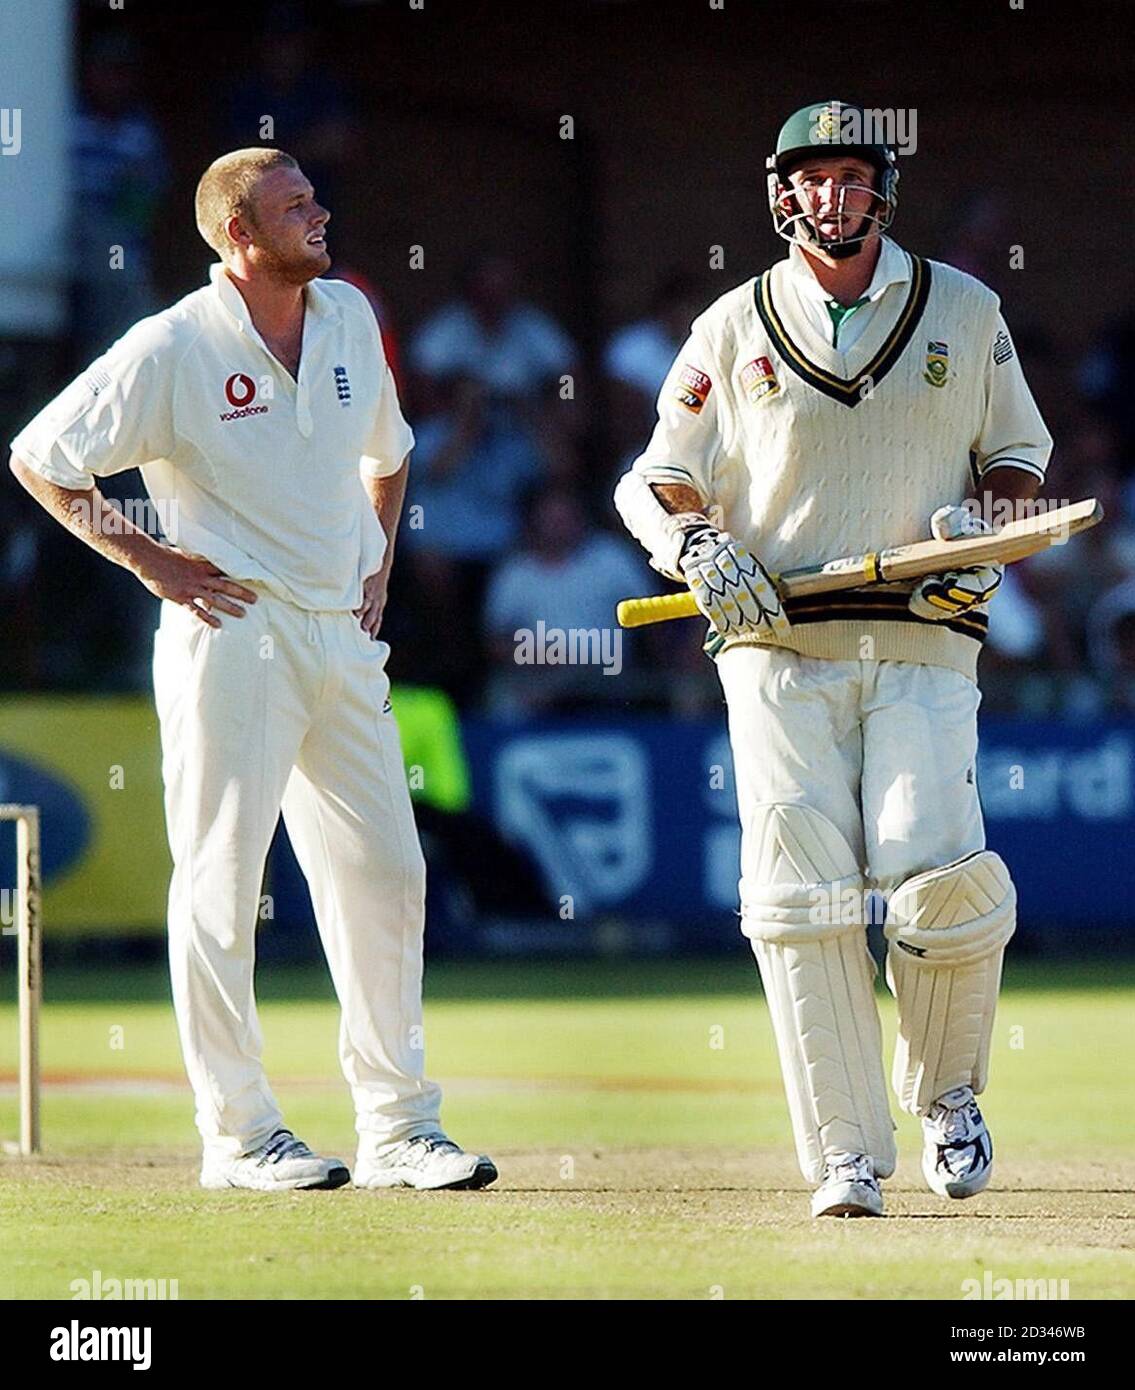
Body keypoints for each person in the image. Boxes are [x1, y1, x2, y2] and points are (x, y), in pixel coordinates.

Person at [9, 147, 496, 1194]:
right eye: (294, 206)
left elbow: (390, 446)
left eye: (317, 197)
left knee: (384, 873)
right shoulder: (173, 344)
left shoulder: (349, 316)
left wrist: (378, 559)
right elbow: (42, 455)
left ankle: (400, 1127)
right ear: (239, 232)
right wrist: (152, 559)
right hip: (229, 632)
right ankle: (237, 1136)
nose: (321, 216)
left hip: (339, 636)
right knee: (223, 882)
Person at [614, 101, 1052, 1217]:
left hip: (921, 634)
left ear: (883, 190)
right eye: (810, 179)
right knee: (800, 900)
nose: (830, 198)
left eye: (851, 176)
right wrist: (699, 543)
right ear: (780, 191)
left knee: (939, 875)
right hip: (772, 643)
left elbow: (1015, 461)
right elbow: (656, 475)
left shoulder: (965, 307)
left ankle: (947, 1095)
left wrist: (979, 540)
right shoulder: (730, 323)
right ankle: (843, 1157)